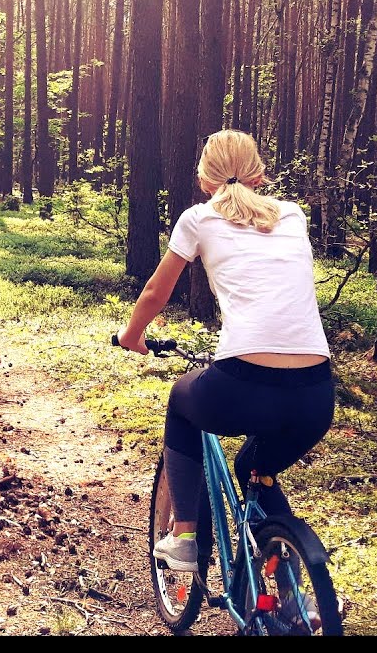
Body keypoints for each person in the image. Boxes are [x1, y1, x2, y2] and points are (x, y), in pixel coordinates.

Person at [115, 128, 335, 575]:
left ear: (203, 178)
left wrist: (132, 335)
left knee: (181, 401)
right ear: (258, 172)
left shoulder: (198, 218)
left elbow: (158, 291)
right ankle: (291, 587)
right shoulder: (291, 215)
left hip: (242, 381)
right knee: (256, 466)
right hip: (315, 395)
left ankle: (184, 538)